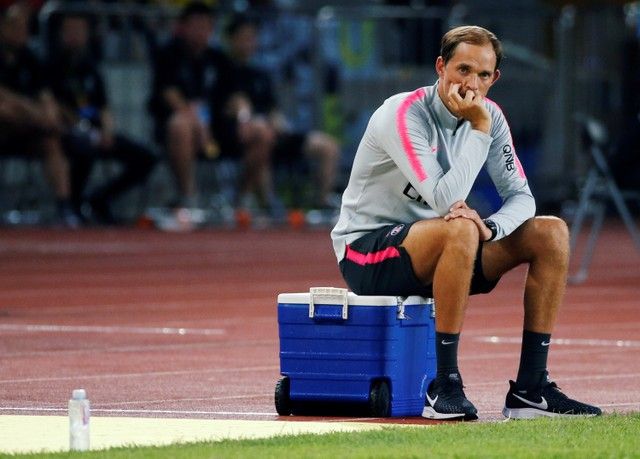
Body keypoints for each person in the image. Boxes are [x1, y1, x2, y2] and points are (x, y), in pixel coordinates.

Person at [331, 25, 602, 420]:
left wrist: (491, 228)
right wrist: (479, 128)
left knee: (551, 232)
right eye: (463, 70)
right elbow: (445, 200)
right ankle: (445, 385)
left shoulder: (491, 116)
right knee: (458, 227)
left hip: (446, 249)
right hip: (367, 253)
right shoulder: (403, 114)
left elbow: (522, 197)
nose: (472, 84)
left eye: (483, 75)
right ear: (440, 67)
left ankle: (531, 389)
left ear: (495, 78)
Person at [213, 14, 339, 218]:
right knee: (263, 136)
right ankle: (262, 207)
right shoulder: (222, 70)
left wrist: (281, 124)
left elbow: (272, 109)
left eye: (252, 38)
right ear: (231, 40)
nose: (248, 43)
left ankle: (321, 206)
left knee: (327, 146)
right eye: (243, 38)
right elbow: (238, 103)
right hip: (239, 137)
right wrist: (246, 118)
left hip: (270, 133)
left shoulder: (260, 74)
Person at [47, 12, 157, 225]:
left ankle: (100, 199)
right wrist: (81, 127)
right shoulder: (51, 68)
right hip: (66, 132)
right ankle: (73, 204)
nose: (75, 36)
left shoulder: (90, 68)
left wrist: (107, 130)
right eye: (70, 30)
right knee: (84, 146)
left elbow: (103, 106)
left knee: (146, 157)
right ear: (60, 34)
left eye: (79, 30)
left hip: (96, 131)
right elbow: (51, 104)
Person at [0, 4, 79, 227]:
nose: (22, 32)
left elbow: (46, 96)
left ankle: (64, 206)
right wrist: (32, 111)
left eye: (25, 27)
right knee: (4, 110)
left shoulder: (30, 59)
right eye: (15, 26)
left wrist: (49, 116)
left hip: (26, 128)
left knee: (50, 141)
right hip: (6, 125)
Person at [148, 1, 225, 210]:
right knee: (180, 125)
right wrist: (197, 120)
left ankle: (247, 202)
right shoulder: (168, 55)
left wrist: (243, 113)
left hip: (215, 131)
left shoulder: (219, 59)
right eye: (195, 25)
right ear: (182, 27)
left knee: (259, 131)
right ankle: (189, 197)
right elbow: (168, 93)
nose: (200, 32)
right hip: (177, 129)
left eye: (205, 26)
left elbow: (232, 96)